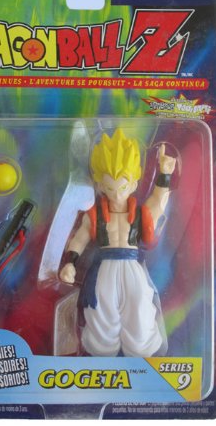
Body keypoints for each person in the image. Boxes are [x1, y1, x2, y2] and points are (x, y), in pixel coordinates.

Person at [59, 128, 176, 357]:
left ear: (133, 184)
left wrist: (165, 173)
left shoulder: (140, 214)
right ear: (101, 186)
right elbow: (80, 238)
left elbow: (157, 203)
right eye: (110, 188)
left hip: (132, 266)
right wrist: (70, 262)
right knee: (102, 311)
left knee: (140, 305)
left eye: (122, 187)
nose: (117, 194)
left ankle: (140, 352)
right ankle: (102, 353)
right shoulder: (95, 215)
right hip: (105, 268)